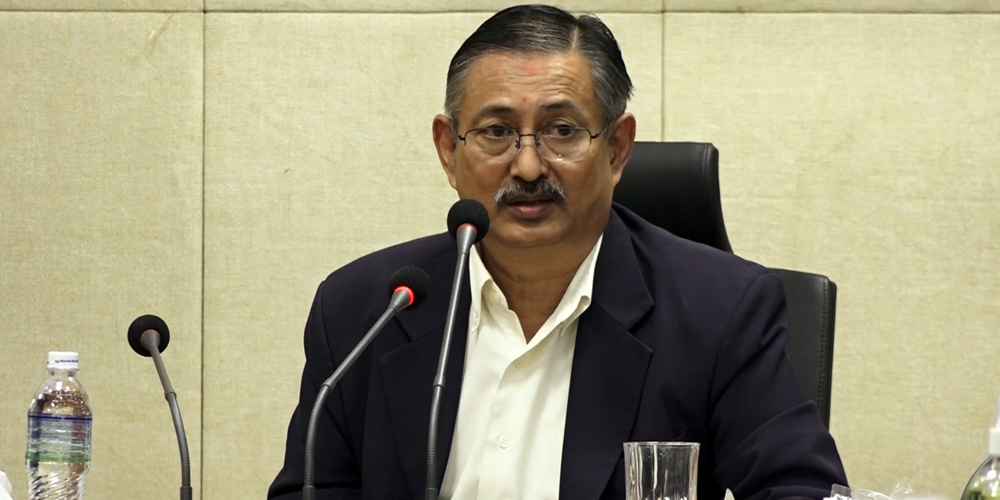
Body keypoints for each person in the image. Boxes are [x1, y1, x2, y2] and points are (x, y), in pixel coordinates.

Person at [268, 4, 848, 500]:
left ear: (617, 149)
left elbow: (799, 488)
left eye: (562, 130)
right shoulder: (365, 310)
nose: (527, 166)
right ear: (448, 150)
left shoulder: (721, 312)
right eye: (496, 131)